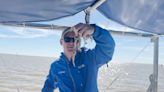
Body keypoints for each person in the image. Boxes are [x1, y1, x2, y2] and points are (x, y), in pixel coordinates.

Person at [42, 23, 115, 92]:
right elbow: (48, 85)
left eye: (75, 40)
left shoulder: (90, 57)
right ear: (61, 42)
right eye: (67, 39)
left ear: (79, 42)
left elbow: (108, 47)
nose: (72, 43)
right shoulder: (56, 66)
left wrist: (94, 30)